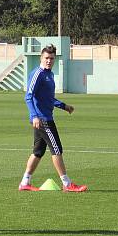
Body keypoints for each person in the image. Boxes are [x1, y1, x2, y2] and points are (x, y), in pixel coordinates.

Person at [18, 45, 87, 193]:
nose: (49, 61)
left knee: (38, 152)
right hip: (43, 119)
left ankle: (25, 182)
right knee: (57, 149)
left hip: (44, 117)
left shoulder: (49, 75)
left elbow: (48, 98)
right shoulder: (38, 74)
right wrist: (34, 116)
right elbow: (28, 97)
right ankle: (67, 183)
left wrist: (64, 106)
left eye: (52, 58)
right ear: (41, 58)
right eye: (46, 58)